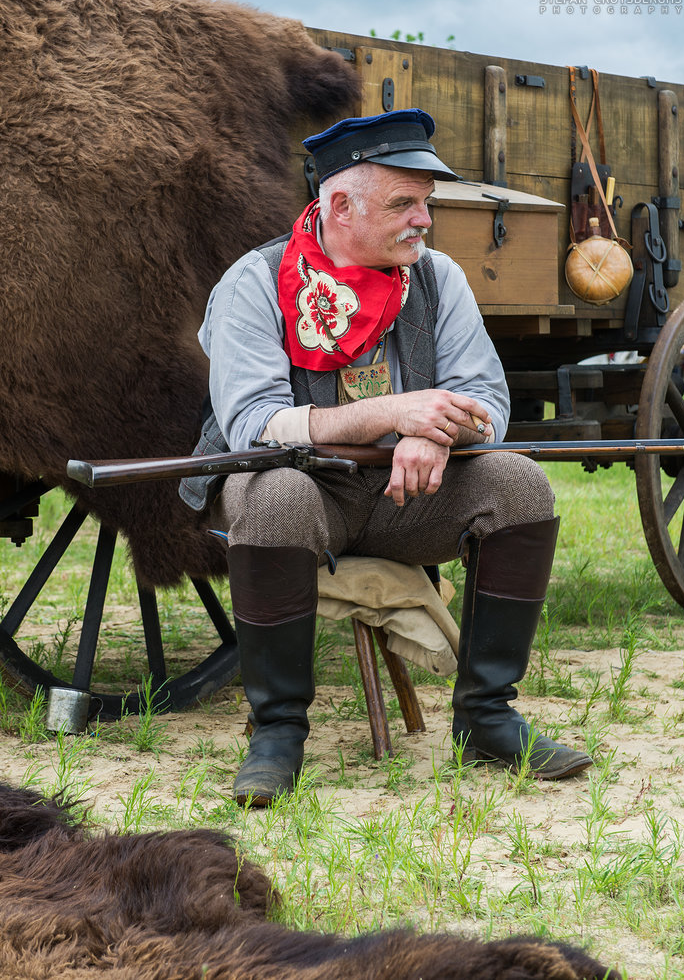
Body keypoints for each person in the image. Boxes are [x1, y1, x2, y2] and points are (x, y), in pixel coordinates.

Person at [181, 109, 592, 805]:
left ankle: (486, 717)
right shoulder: (254, 282)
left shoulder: (436, 278)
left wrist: (434, 431)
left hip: (408, 498)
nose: (423, 220)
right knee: (275, 493)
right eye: (404, 203)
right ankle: (277, 733)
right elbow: (254, 426)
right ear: (339, 205)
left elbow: (484, 397)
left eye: (424, 203)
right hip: (303, 493)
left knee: (517, 483)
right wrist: (392, 413)